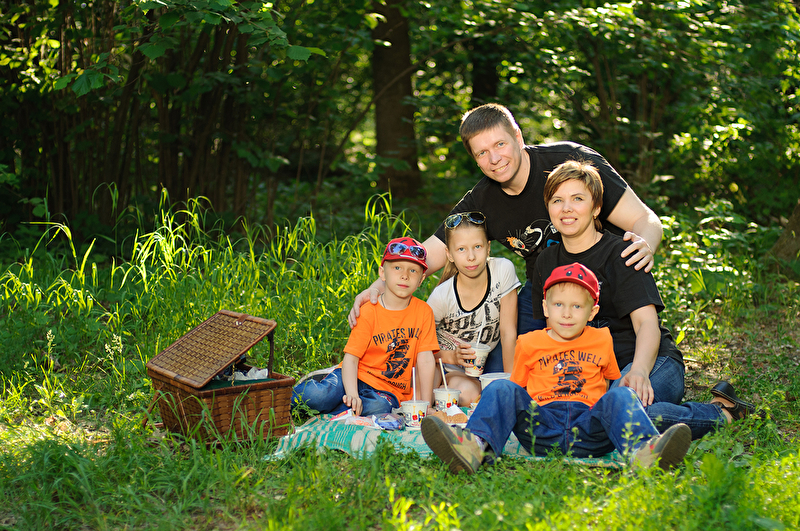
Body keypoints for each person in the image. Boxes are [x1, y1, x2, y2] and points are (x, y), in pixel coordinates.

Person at [349, 102, 662, 345]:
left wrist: (645, 244)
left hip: (605, 275)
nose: (494, 159)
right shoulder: (483, 200)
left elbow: (644, 219)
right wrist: (379, 286)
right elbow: (428, 254)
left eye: (500, 144)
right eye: (482, 153)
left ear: (518, 137)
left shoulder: (569, 162)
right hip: (543, 290)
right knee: (507, 367)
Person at [531, 160, 756, 437]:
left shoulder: (623, 253)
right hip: (592, 371)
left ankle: (720, 414)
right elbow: (552, 332)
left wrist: (638, 370)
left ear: (596, 207)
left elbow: (646, 323)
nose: (566, 208)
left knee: (617, 414)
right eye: (557, 200)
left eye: (578, 199)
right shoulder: (546, 261)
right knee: (583, 420)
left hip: (649, 360)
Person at [421, 263, 693, 474]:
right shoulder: (529, 342)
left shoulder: (602, 338)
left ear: (592, 312)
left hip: (589, 430)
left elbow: (610, 383)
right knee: (502, 387)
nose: (566, 313)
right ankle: (474, 447)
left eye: (577, 306)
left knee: (622, 393)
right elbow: (517, 389)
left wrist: (609, 405)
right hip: (542, 428)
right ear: (545, 307)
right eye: (559, 304)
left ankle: (645, 452)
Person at [291, 237, 439, 417]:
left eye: (413, 270)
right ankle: (296, 397)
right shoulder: (369, 310)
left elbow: (426, 360)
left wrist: (425, 404)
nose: (404, 275)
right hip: (354, 376)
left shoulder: (423, 312)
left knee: (378, 408)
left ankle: (334, 409)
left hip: (387, 390)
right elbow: (351, 359)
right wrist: (352, 394)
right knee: (318, 395)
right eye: (397, 268)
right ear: (382, 273)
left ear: (421, 279)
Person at [425, 211, 521, 405]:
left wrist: (511, 384)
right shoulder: (441, 296)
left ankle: (443, 400)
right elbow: (421, 347)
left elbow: (508, 333)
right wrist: (452, 356)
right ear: (449, 255)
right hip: (442, 364)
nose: (471, 257)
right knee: (441, 384)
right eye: (461, 249)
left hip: (472, 372)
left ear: (488, 248)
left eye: (477, 247)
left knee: (472, 393)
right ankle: (429, 402)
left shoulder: (503, 271)